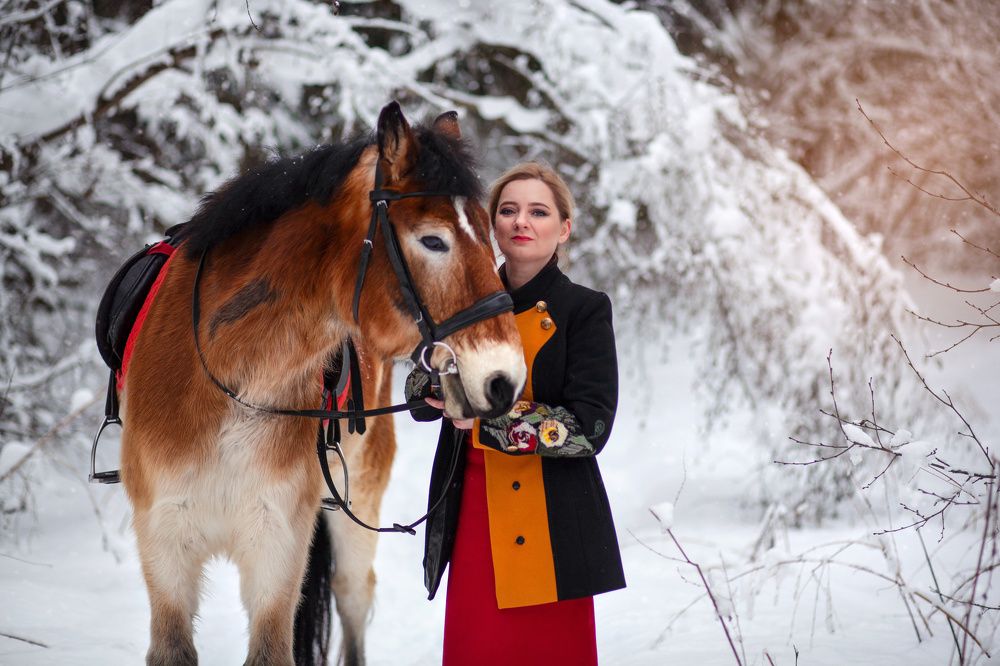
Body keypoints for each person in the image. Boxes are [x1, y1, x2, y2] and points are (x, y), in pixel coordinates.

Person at [407, 161, 625, 665]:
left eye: (538, 211)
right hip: (475, 523)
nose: (520, 222)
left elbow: (589, 429)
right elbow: (419, 394)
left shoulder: (584, 310)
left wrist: (488, 421)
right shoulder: (460, 305)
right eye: (508, 210)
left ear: (563, 228)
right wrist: (437, 361)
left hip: (553, 530)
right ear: (493, 226)